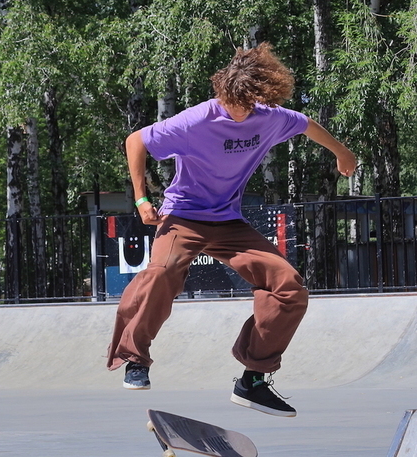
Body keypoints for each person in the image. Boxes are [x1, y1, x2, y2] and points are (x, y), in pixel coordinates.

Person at [105, 43, 356, 417]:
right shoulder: (196, 119)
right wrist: (141, 199)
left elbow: (306, 124)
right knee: (162, 272)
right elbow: (136, 140)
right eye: (232, 105)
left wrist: (342, 152)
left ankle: (253, 379)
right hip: (183, 216)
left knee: (288, 286)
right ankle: (135, 358)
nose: (239, 113)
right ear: (224, 94)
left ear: (260, 96)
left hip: (228, 221)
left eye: (248, 106)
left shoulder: (269, 115)